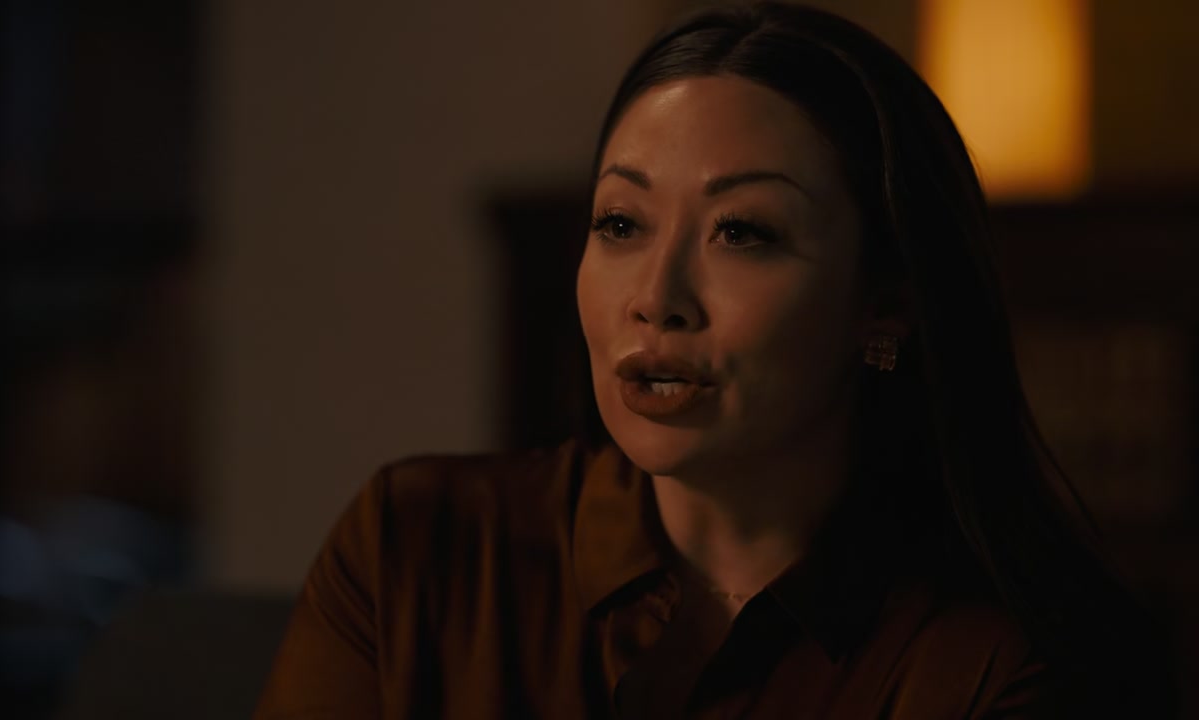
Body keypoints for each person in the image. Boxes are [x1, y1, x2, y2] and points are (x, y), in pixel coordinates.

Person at [254, 2, 1176, 718]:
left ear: (885, 302)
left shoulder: (995, 666)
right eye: (621, 223)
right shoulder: (418, 550)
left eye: (742, 233)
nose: (657, 295)